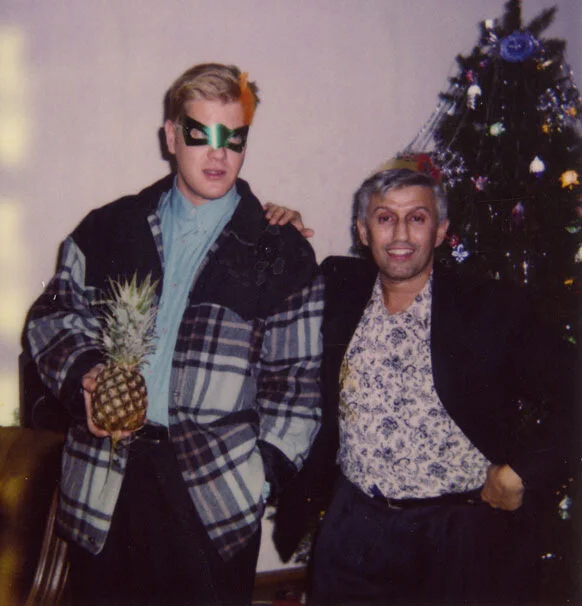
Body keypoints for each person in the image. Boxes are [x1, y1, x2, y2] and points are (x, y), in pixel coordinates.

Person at [24, 63, 324, 606]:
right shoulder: (110, 229)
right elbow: (53, 316)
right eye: (200, 134)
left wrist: (260, 478)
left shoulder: (280, 252)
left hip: (213, 496)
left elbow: (298, 384)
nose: (218, 154)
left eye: (234, 139)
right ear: (171, 135)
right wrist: (85, 375)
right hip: (105, 481)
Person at [273, 155, 577, 604]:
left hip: (457, 534)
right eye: (384, 218)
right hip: (355, 529)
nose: (400, 235)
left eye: (416, 218)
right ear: (363, 231)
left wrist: (523, 471)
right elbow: (267, 290)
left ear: (439, 231)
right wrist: (276, 231)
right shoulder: (339, 284)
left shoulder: (490, 308)